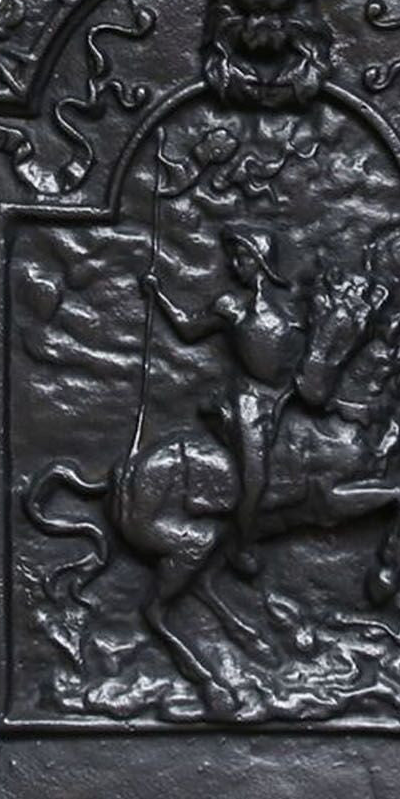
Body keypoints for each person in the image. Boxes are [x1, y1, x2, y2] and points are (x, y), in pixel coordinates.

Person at [141, 223, 305, 575]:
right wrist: (158, 295)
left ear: (261, 261)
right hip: (248, 402)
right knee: (255, 479)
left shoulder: (292, 314)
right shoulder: (230, 307)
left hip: (287, 399)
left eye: (242, 257)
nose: (234, 265)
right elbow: (188, 328)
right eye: (233, 257)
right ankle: (241, 546)